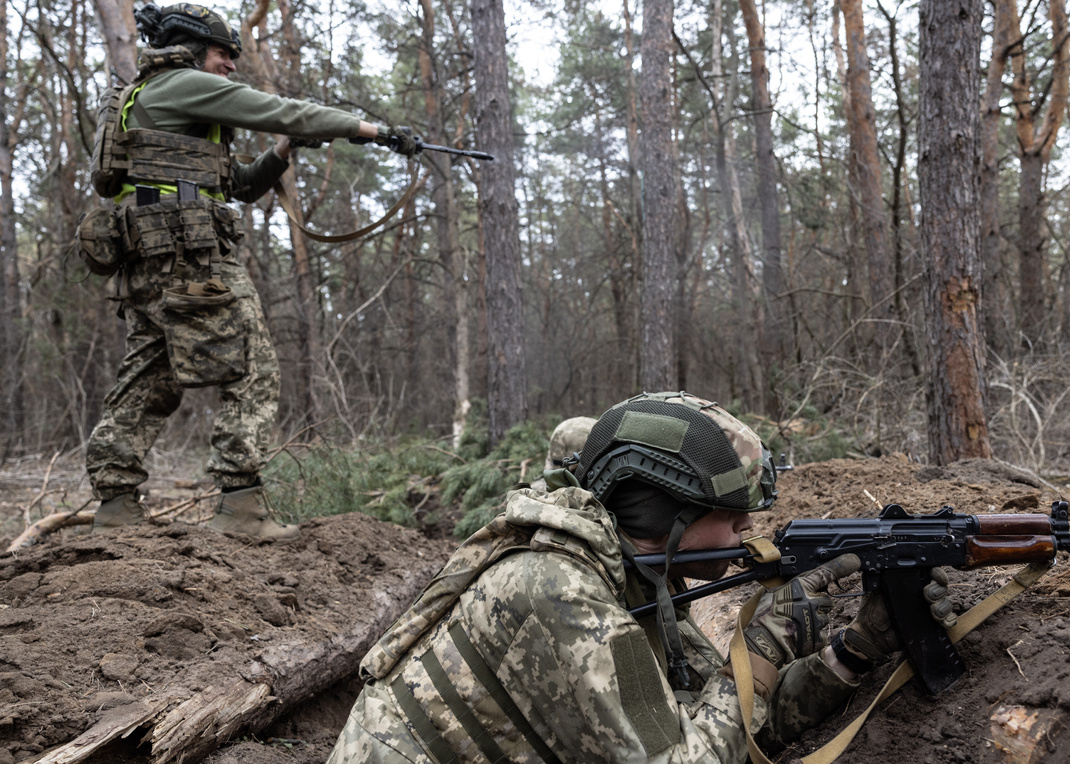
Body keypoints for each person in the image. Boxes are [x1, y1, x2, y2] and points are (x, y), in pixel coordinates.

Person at [326, 392, 955, 762]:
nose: (746, 536)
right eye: (733, 519)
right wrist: (770, 637)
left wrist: (853, 650)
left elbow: (725, 719)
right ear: (669, 518)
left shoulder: (631, 574)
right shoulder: (556, 591)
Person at [84, 2, 420, 541]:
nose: (231, 65)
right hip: (190, 260)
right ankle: (241, 505)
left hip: (151, 264)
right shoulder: (181, 83)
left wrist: (283, 152)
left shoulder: (146, 97)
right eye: (223, 53)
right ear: (192, 48)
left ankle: (115, 504)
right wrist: (370, 130)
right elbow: (283, 109)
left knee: (150, 376)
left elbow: (236, 185)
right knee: (252, 365)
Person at [527, 415, 597, 491]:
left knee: (557, 478)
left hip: (562, 434)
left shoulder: (560, 434)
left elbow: (555, 473)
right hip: (596, 430)